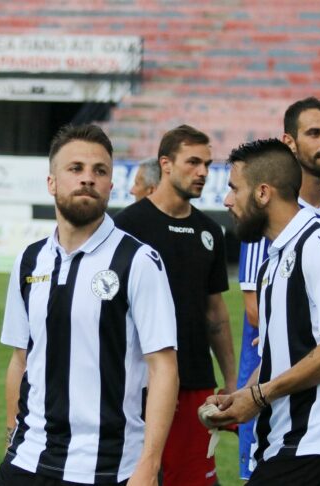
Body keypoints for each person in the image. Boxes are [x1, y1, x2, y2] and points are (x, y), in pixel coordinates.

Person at [0, 124, 179, 486]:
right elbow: (20, 359)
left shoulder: (138, 260)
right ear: (51, 183)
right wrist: (11, 437)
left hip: (109, 466)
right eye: (75, 168)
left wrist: (149, 465)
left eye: (100, 171)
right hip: (28, 460)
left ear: (110, 185)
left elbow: (164, 368)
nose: (88, 178)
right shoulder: (29, 260)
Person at [207, 138, 320, 485]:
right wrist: (240, 396)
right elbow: (278, 355)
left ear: (263, 193)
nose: (227, 200)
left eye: (234, 188)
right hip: (280, 442)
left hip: (314, 441)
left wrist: (259, 395)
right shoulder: (272, 262)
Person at [115, 125, 236, 486]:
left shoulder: (209, 232)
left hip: (196, 381)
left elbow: (215, 313)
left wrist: (230, 379)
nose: (203, 172)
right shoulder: (127, 226)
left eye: (207, 164)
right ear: (165, 164)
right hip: (139, 385)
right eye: (193, 162)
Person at [235, 96, 320, 480]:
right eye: (314, 133)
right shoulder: (265, 213)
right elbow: (254, 310)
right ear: (289, 142)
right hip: (269, 387)